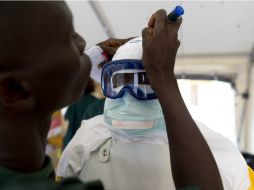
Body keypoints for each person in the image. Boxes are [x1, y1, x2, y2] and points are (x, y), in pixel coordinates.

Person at [0, 1, 224, 190]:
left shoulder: (26, 172)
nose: (83, 43)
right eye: (67, 37)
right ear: (14, 91)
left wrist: (92, 61)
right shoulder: (86, 143)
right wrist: (163, 76)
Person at [57, 35, 253, 190]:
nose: (130, 95)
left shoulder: (216, 151)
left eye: (145, 82)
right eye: (120, 83)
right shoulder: (87, 139)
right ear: (106, 83)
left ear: (165, 81)